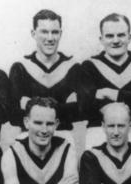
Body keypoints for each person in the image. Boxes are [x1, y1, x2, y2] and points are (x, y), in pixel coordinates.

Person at [79, 13, 131, 150]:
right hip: (98, 131)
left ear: (129, 37)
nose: (115, 40)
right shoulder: (88, 66)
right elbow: (85, 106)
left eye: (121, 35)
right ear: (101, 39)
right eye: (109, 36)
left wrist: (110, 94)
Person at [9, 9, 82, 145]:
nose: (50, 38)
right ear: (33, 33)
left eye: (54, 32)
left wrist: (30, 105)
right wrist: (63, 107)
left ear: (60, 33)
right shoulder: (20, 68)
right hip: (28, 137)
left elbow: (80, 111)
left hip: (63, 135)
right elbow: (14, 115)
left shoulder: (73, 68)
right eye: (44, 32)